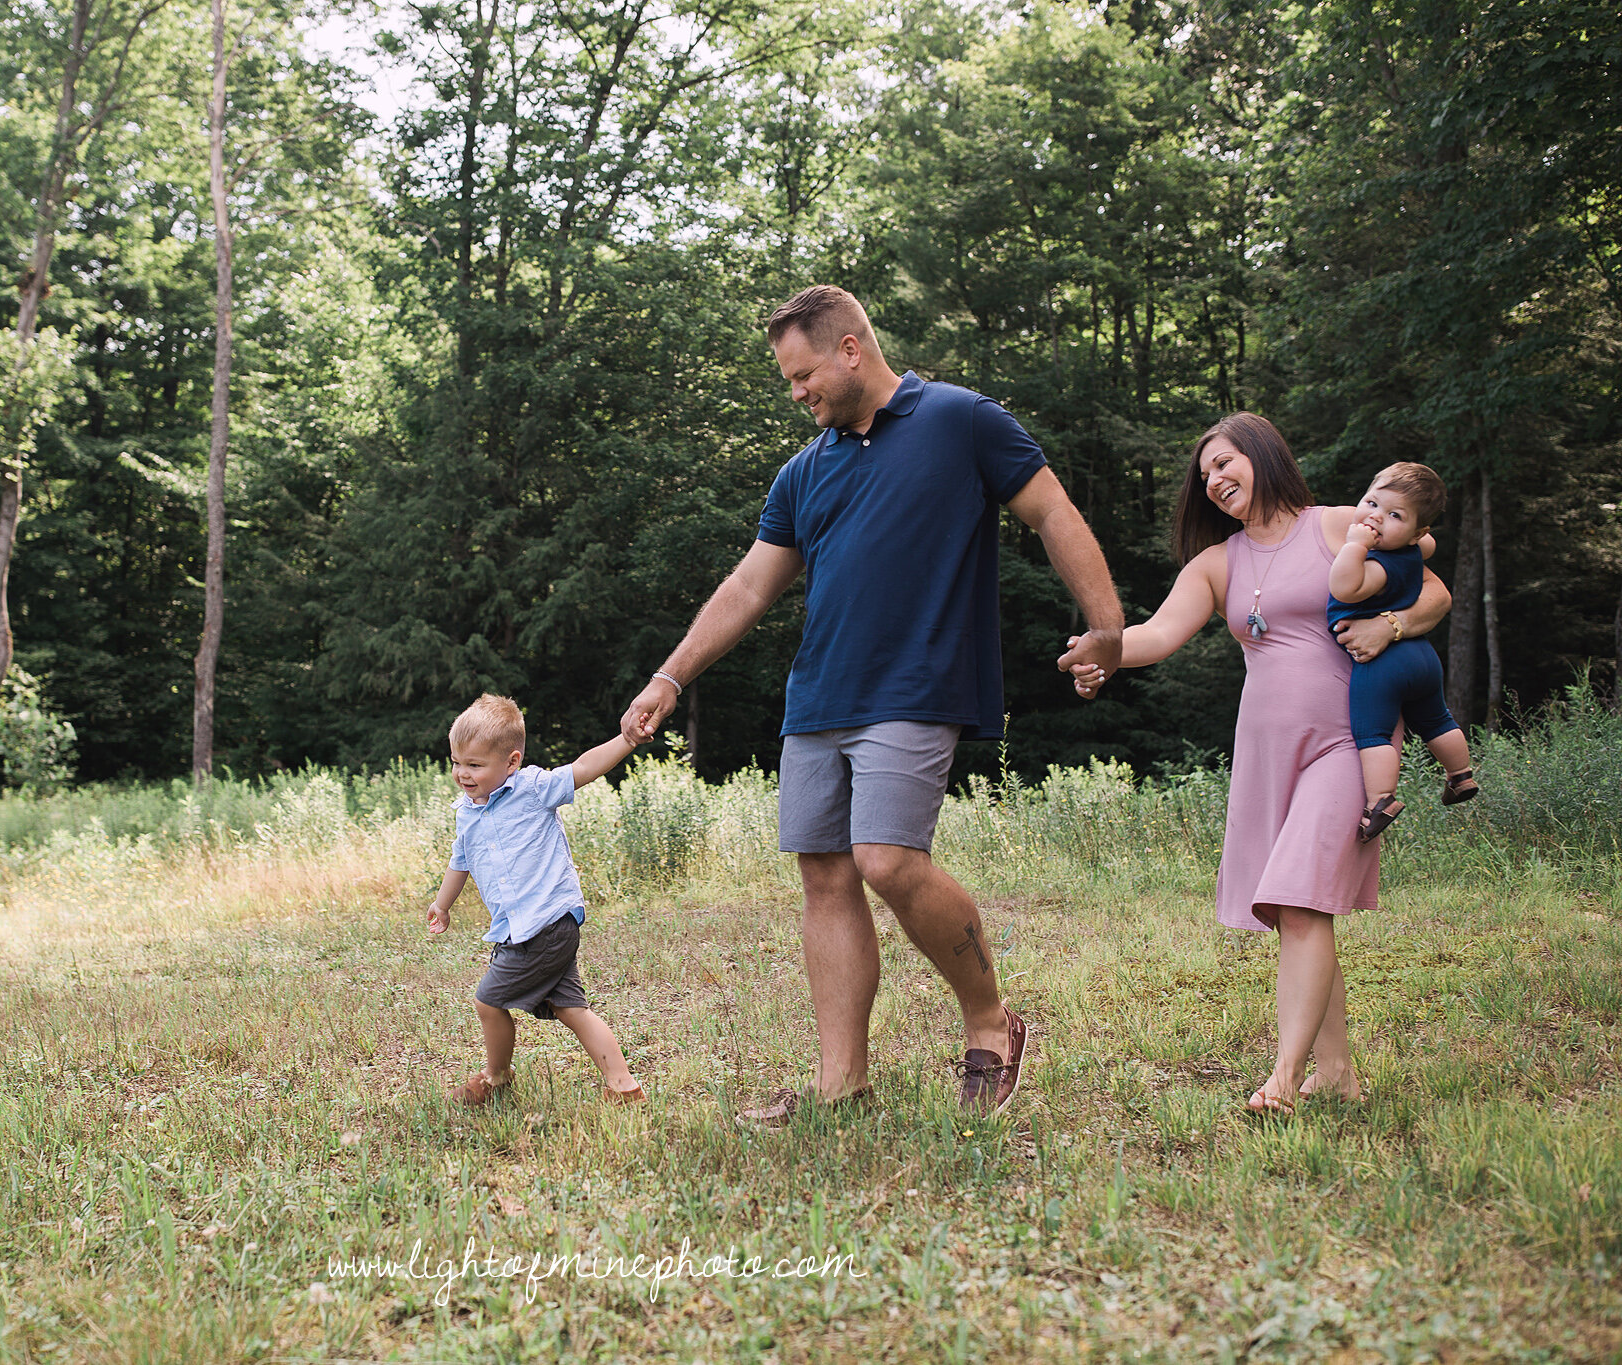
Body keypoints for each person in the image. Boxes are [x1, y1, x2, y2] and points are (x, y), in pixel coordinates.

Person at [620, 285, 1125, 1122]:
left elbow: (1053, 512)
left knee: (886, 860)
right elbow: (750, 585)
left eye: (803, 374)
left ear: (851, 349)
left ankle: (993, 1022)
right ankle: (841, 1080)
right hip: (819, 695)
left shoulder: (962, 421)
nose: (796, 394)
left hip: (919, 683)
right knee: (825, 876)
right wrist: (670, 676)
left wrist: (1107, 624)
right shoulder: (803, 472)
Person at [1067, 414, 1451, 1114]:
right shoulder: (1218, 563)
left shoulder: (1338, 525)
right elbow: (1156, 633)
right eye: (1205, 473)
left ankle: (1283, 1076)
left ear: (1264, 455)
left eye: (1225, 462)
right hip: (1270, 752)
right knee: (1299, 910)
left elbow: (1433, 590)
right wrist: (1104, 650)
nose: (1214, 480)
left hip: (1348, 739)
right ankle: (1334, 1070)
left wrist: (1388, 625)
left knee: (1301, 899)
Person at [428, 693, 647, 1106]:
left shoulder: (532, 788)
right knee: (571, 1008)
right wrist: (443, 904)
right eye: (456, 762)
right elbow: (461, 861)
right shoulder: (467, 812)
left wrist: (627, 740)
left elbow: (583, 768)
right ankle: (624, 1086)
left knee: (489, 1001)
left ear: (511, 761)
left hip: (544, 925)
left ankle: (496, 1078)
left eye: (475, 765)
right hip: (531, 928)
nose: (462, 773)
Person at [1326, 461, 1479, 840]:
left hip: (1382, 662)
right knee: (1436, 719)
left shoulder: (1378, 564)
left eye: (1393, 515)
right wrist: (1398, 526)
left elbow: (1345, 588)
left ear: (1414, 532)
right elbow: (1428, 542)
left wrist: (1354, 546)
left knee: (1372, 733)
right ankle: (1460, 775)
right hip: (1421, 655)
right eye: (1371, 503)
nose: (1376, 518)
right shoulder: (1414, 550)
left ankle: (1380, 801)